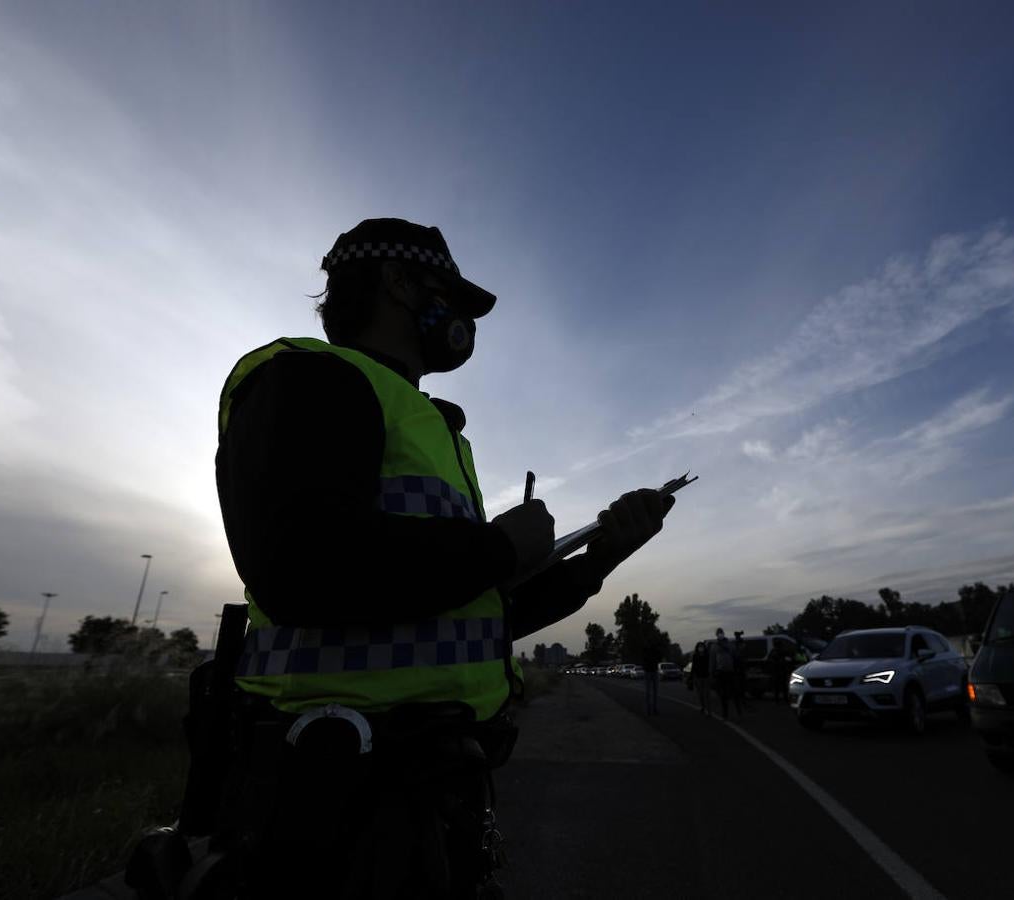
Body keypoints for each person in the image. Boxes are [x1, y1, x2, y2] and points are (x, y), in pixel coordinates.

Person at [212, 218, 676, 897]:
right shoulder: (313, 378)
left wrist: (599, 558)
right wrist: (499, 546)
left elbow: (471, 615)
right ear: (399, 282)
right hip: (328, 807)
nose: (463, 321)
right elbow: (299, 568)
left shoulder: (427, 424)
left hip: (428, 793)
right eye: (451, 297)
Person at [711, 628, 742, 721]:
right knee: (723, 695)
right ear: (716, 635)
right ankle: (725, 714)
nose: (720, 634)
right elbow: (712, 661)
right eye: (718, 633)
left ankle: (738, 713)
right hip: (720, 672)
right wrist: (712, 672)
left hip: (730, 671)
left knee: (735, 693)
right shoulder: (714, 646)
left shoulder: (730, 644)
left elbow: (735, 656)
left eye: (721, 633)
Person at [641, 637, 662, 716]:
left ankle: (653, 709)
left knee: (653, 692)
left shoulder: (655, 650)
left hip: (653, 670)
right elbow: (643, 659)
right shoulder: (645, 650)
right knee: (649, 692)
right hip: (649, 671)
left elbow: (659, 657)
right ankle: (649, 709)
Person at [690, 641, 711, 715]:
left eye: (702, 646)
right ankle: (703, 707)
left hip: (706, 676)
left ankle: (708, 710)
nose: (701, 648)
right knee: (701, 694)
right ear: (697, 648)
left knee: (707, 694)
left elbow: (710, 665)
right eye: (699, 646)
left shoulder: (707, 655)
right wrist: (692, 676)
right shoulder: (695, 656)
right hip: (698, 677)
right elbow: (693, 666)